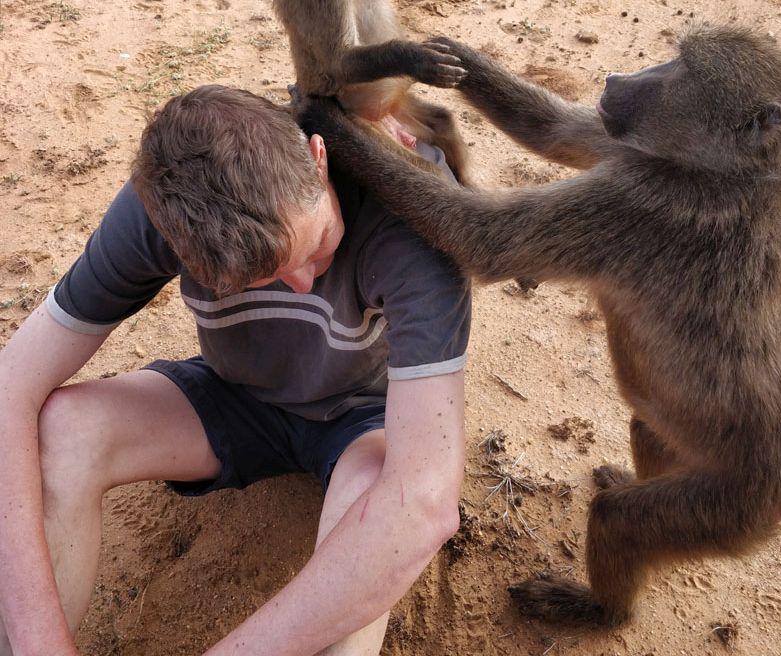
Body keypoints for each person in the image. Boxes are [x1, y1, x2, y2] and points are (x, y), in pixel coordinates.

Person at [0, 85, 471, 656]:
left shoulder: (417, 218)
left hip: (366, 420)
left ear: (317, 158)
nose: (305, 283)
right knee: (63, 432)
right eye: (268, 278)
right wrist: (36, 642)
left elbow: (424, 501)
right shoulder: (164, 209)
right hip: (235, 394)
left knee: (378, 514)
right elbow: (11, 387)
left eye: (317, 243)